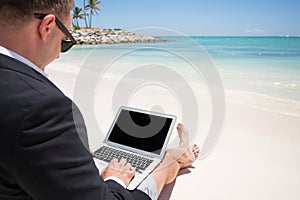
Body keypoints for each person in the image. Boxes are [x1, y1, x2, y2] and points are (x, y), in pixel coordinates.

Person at [0, 1, 200, 200]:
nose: (60, 53)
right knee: (165, 163)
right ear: (47, 27)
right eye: (66, 41)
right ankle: (176, 157)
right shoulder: (42, 109)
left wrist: (66, 154)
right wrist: (116, 179)